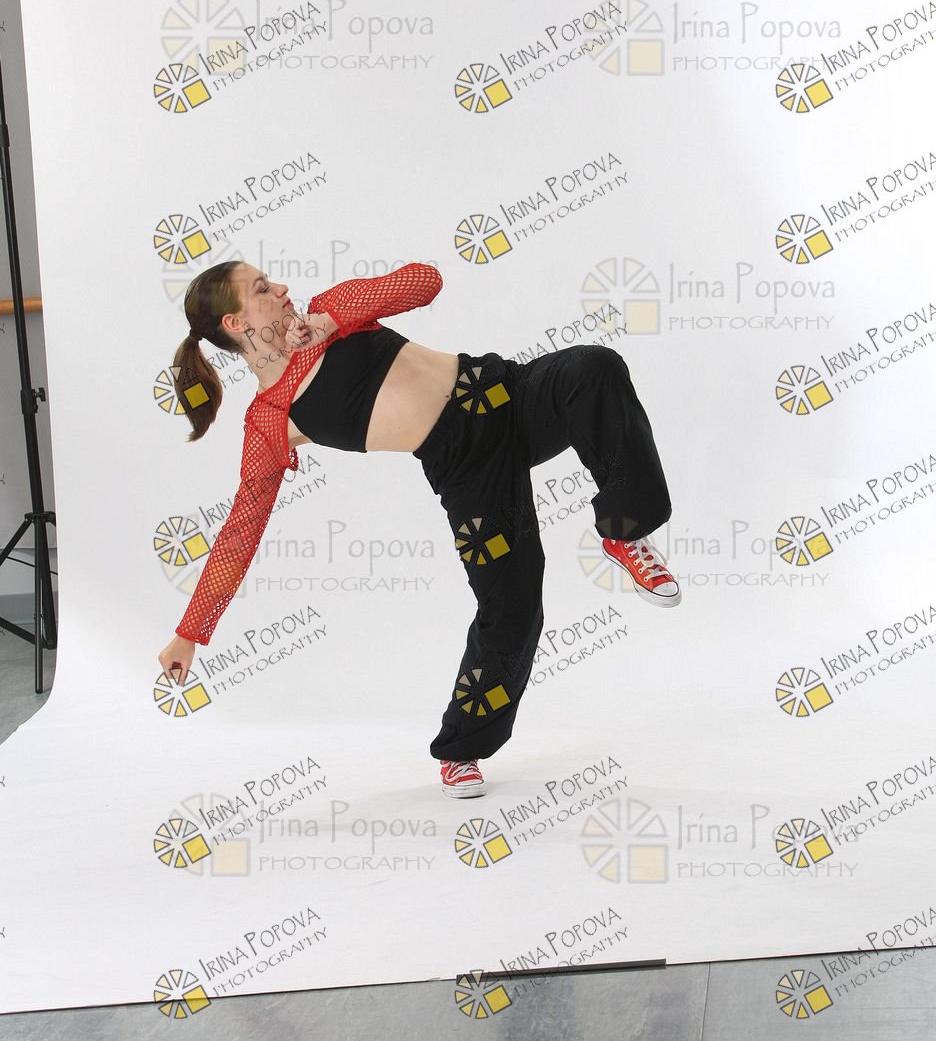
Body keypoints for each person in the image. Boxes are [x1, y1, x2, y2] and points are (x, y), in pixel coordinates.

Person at [157, 259, 680, 798]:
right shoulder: (271, 419)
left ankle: (624, 530)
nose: (283, 288)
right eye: (263, 289)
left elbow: (424, 281)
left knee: (594, 367)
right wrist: (190, 632)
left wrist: (332, 320)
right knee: (511, 607)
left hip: (502, 392)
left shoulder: (330, 312)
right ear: (236, 323)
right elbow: (240, 532)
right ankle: (461, 748)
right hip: (466, 469)